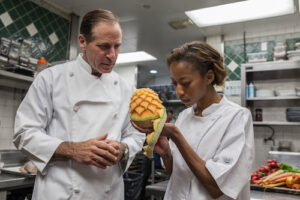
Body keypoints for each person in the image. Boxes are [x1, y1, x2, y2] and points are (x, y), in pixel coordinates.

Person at [13, 9, 145, 200]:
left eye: (117, 46)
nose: (112, 55)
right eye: (104, 46)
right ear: (82, 41)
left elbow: (136, 134)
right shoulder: (50, 79)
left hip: (108, 192)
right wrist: (73, 150)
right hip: (60, 192)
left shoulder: (126, 89)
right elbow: (23, 133)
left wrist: (123, 149)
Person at [134, 41, 254, 199]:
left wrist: (176, 136)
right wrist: (165, 152)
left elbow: (218, 188)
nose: (178, 91)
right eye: (174, 84)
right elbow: (176, 172)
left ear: (209, 77)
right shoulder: (184, 116)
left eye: (185, 83)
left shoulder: (237, 117)